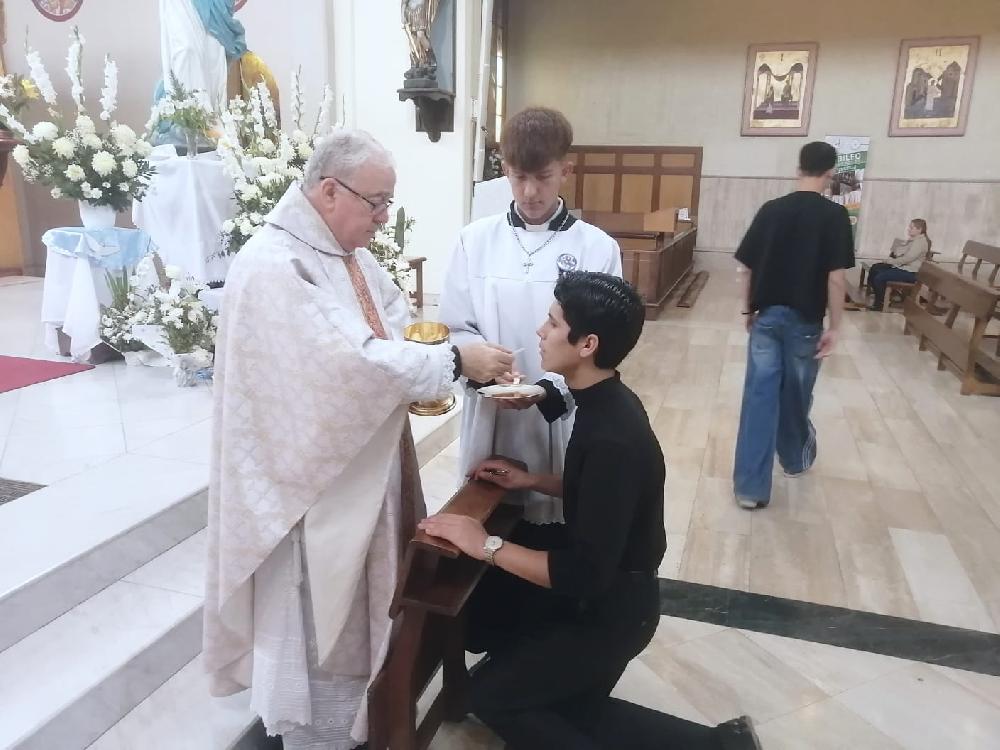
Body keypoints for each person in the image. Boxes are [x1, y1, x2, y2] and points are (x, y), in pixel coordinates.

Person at [202, 129, 514, 749]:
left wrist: (435, 356)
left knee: (367, 602)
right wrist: (455, 361)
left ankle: (367, 710)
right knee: (319, 619)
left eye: (387, 203)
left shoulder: (348, 254)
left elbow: (392, 327)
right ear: (329, 191)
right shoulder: (275, 266)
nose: (383, 217)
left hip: (360, 468)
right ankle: (318, 732)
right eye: (376, 202)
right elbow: (349, 366)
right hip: (310, 489)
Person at [420, 271, 761, 750]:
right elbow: (603, 494)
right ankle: (723, 745)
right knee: (543, 694)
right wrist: (533, 481)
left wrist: (485, 544)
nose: (540, 331)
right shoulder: (606, 400)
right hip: (611, 595)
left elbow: (583, 573)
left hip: (612, 613)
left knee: (495, 699)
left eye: (553, 323)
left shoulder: (611, 436)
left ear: (587, 344)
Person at [439, 106, 622, 529]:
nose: (530, 192)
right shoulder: (474, 241)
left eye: (543, 177)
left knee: (551, 520)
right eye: (519, 177)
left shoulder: (596, 248)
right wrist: (482, 367)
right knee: (485, 510)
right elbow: (456, 324)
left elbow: (603, 341)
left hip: (559, 413)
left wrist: (547, 389)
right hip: (490, 408)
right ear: (505, 170)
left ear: (566, 171)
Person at [733, 141, 855, 510]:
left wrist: (748, 311)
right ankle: (795, 460)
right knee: (796, 396)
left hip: (767, 317)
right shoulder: (835, 216)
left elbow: (745, 268)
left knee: (759, 398)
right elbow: (836, 278)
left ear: (798, 169)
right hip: (806, 321)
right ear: (830, 173)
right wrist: (835, 327)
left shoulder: (771, 210)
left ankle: (750, 489)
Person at [868, 218, 931, 311]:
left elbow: (907, 259)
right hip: (904, 267)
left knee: (879, 277)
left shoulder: (920, 242)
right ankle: (882, 296)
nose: (909, 229)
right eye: (909, 227)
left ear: (919, 229)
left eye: (912, 227)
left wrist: (890, 261)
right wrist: (895, 255)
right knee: (875, 269)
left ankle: (880, 302)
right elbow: (901, 252)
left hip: (911, 272)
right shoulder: (915, 239)